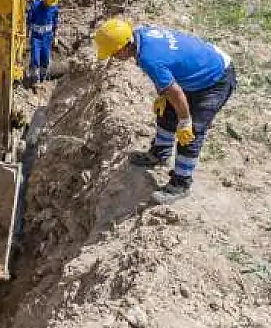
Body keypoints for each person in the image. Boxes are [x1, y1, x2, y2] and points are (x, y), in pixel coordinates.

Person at [94, 18, 236, 205]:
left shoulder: (149, 59)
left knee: (190, 133)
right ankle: (159, 153)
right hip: (200, 67)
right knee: (167, 112)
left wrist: (185, 121)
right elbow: (170, 78)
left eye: (113, 53)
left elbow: (175, 92)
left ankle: (181, 183)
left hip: (215, 78)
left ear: (123, 48)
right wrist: (164, 96)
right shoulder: (141, 36)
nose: (113, 58)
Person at [26, 0, 60, 84]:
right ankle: (34, 79)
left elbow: (55, 23)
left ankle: (43, 78)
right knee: (35, 58)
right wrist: (27, 36)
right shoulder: (35, 6)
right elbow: (29, 22)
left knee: (45, 58)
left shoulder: (54, 8)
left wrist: (55, 36)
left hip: (47, 37)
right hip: (36, 37)